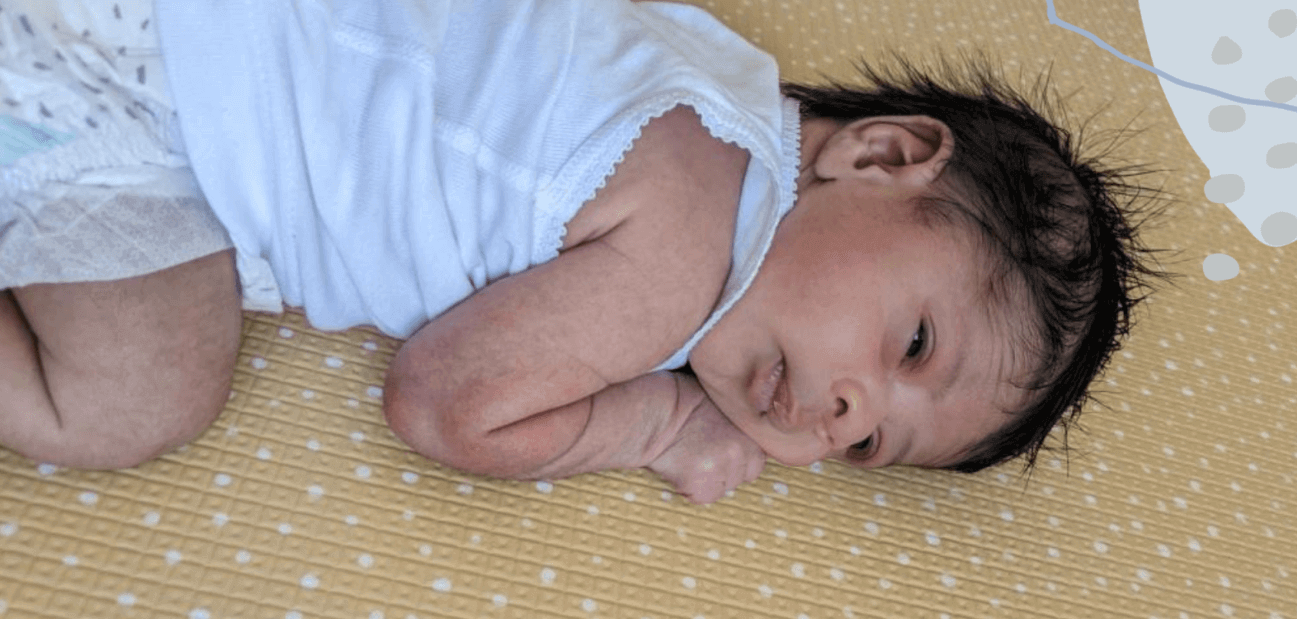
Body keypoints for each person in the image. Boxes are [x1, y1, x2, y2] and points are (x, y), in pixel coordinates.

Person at [0, 0, 1158, 504]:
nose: (841, 409)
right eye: (913, 342)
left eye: (868, 443)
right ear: (884, 152)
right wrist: (653, 423)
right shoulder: (685, 254)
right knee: (128, 402)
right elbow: (448, 402)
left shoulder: (714, 70)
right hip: (147, 87)